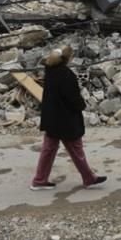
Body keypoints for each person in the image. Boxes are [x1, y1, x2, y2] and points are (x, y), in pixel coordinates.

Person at [30, 46, 107, 190]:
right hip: (65, 119)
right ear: (69, 59)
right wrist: (81, 105)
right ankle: (89, 178)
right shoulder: (66, 75)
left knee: (49, 150)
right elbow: (73, 99)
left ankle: (39, 180)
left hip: (52, 117)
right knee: (76, 150)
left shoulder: (50, 70)